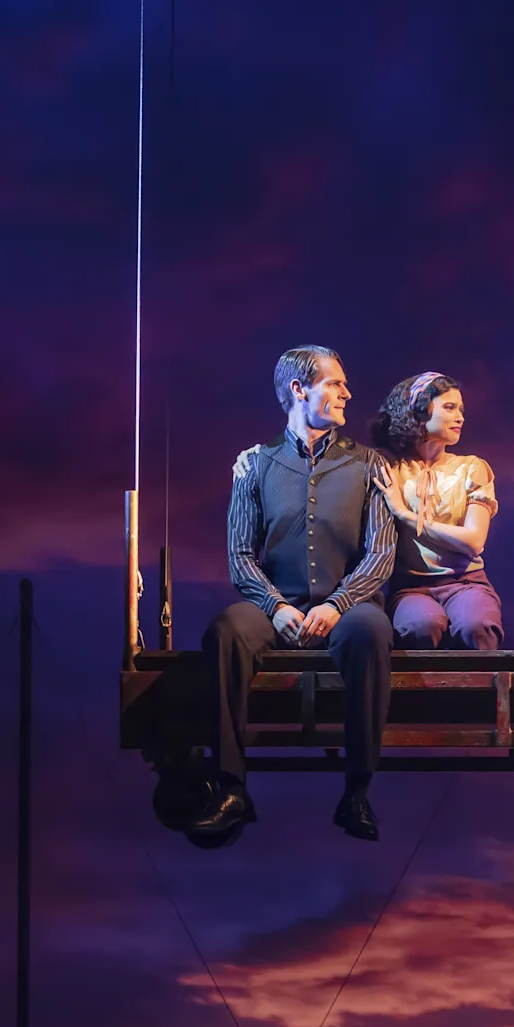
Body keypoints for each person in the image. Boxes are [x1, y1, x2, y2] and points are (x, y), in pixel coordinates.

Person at [192, 345, 396, 844]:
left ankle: (357, 791)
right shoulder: (255, 465)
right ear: (298, 391)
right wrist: (274, 606)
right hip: (276, 606)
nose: (347, 392)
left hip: (346, 607)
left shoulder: (368, 464)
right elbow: (240, 556)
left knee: (370, 631)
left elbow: (381, 553)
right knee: (225, 632)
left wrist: (338, 604)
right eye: (335, 383)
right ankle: (233, 788)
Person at [369, 371, 504, 650]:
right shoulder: (390, 466)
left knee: (476, 626)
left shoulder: (471, 467)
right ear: (419, 412)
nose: (460, 417)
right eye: (449, 407)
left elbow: (474, 541)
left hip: (465, 582)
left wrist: (406, 514)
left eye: (462, 410)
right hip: (410, 587)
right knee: (421, 625)